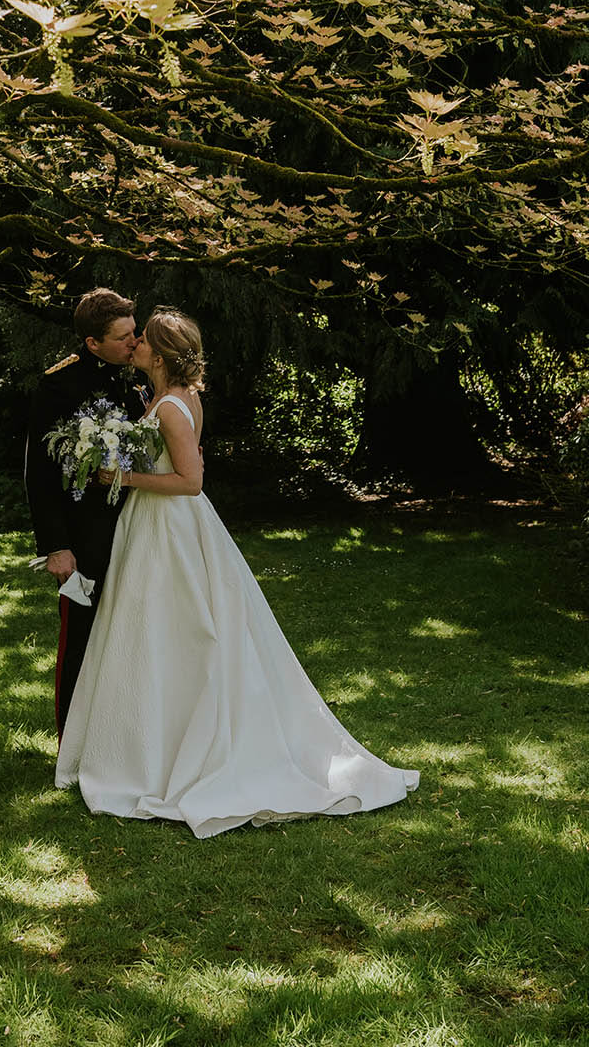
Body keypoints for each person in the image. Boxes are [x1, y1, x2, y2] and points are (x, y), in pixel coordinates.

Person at [56, 308, 420, 838]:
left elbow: (190, 482)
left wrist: (124, 475)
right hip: (154, 527)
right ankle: (144, 743)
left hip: (173, 528)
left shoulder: (174, 409)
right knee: (151, 631)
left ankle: (177, 752)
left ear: (158, 355)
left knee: (181, 629)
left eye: (141, 342)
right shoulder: (161, 399)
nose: (132, 345)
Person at [24, 287, 149, 739]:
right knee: (82, 635)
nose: (135, 342)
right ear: (93, 343)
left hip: (142, 524)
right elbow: (39, 474)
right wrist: (55, 546)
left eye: (135, 332)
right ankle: (72, 741)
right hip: (85, 531)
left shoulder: (142, 376)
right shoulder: (59, 385)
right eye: (123, 337)